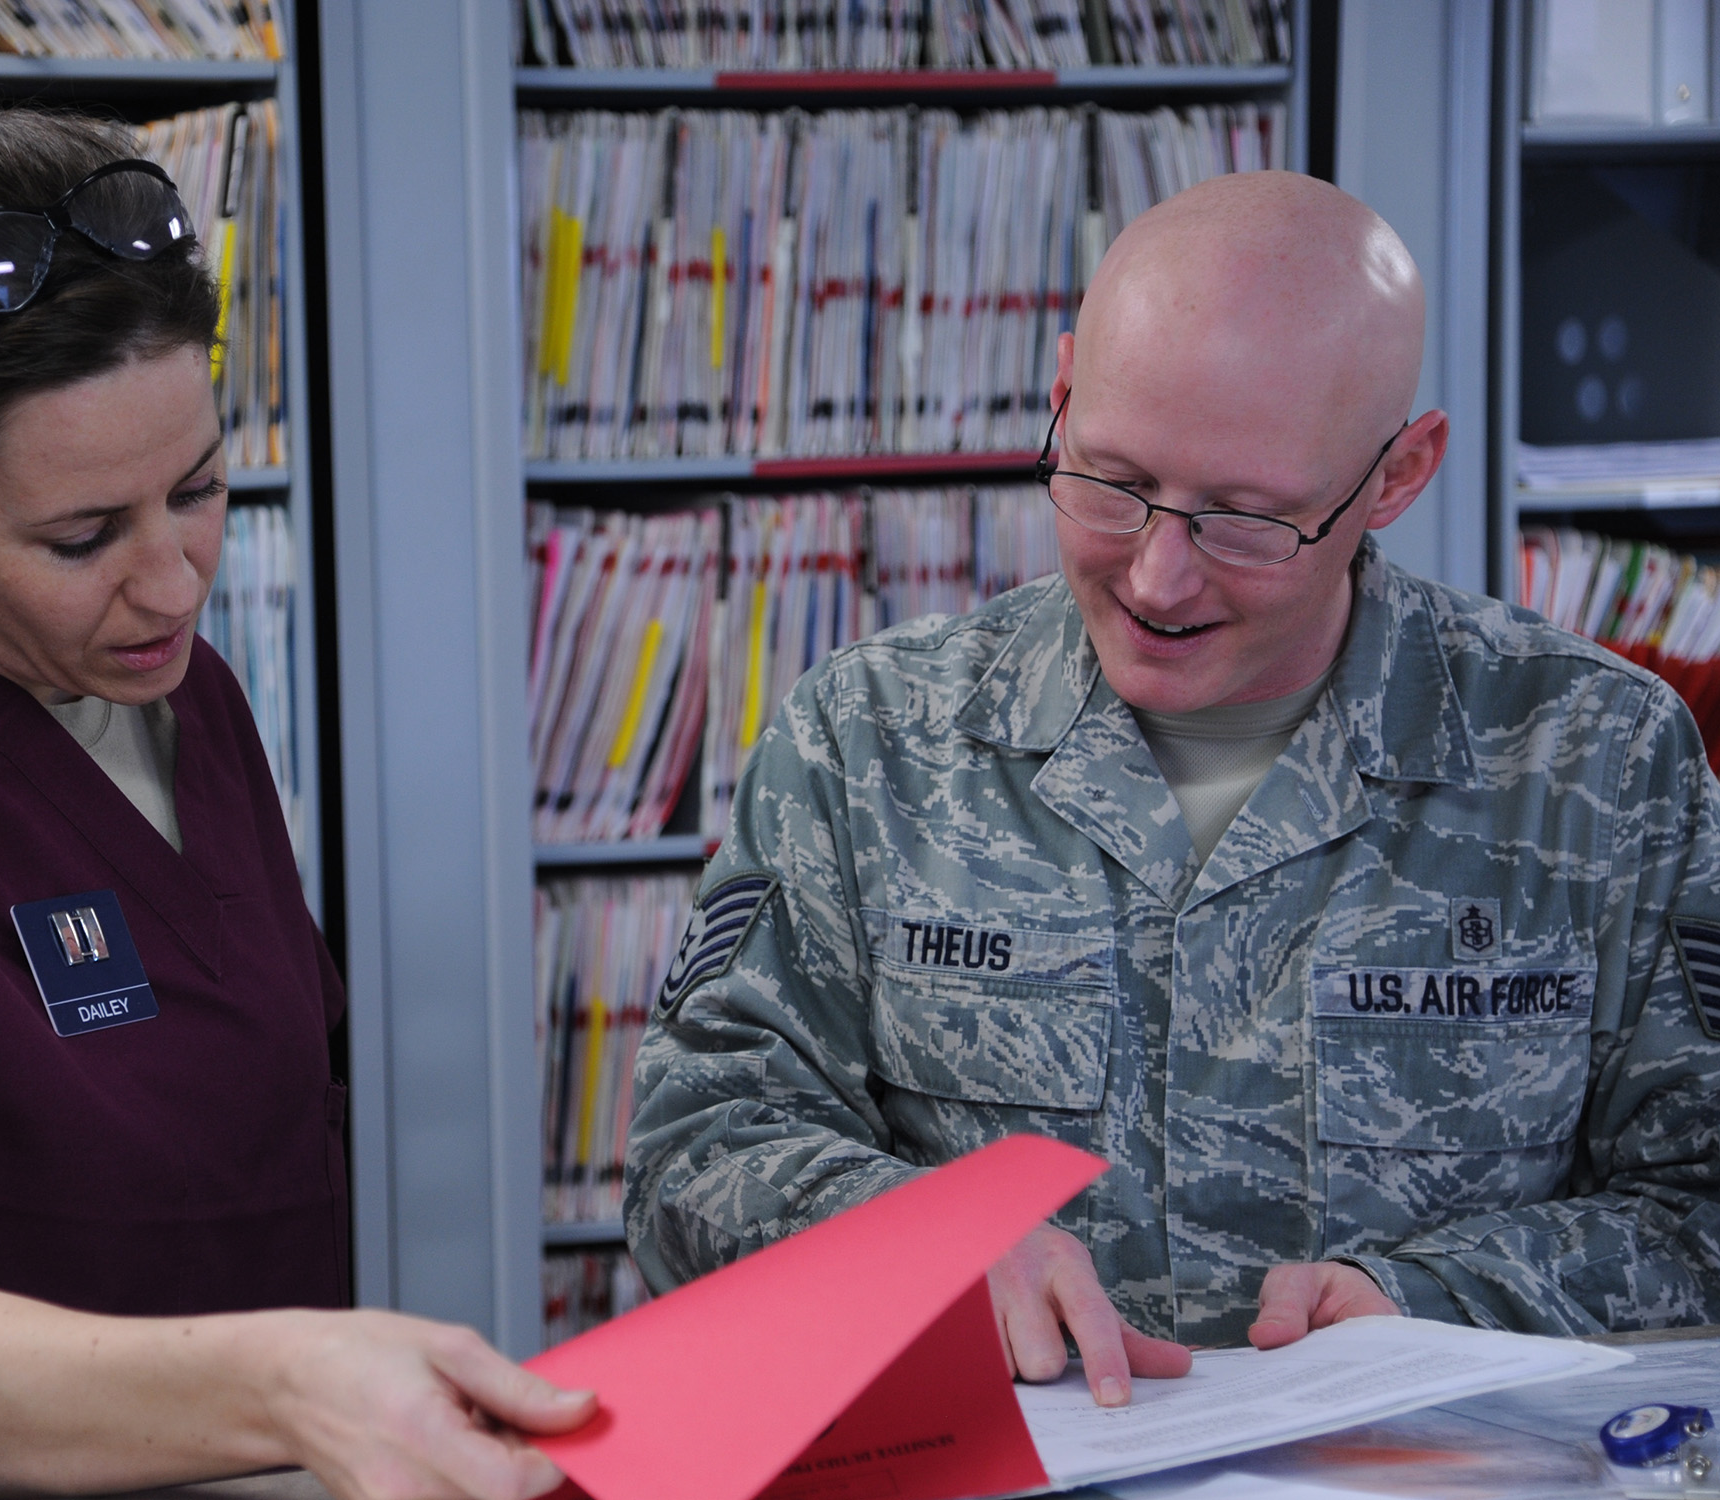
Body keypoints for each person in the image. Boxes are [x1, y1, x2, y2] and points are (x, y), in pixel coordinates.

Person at [0, 87, 591, 1499]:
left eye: (197, 490)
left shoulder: (174, 693)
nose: (173, 579)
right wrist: (288, 1381)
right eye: (81, 537)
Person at [625, 170, 1720, 1409]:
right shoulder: (868, 738)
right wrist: (915, 1249)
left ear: (1398, 477)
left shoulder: (1601, 762)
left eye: (1245, 520)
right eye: (1109, 481)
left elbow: (1703, 1208)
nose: (1156, 576)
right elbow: (689, 1156)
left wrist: (1439, 1301)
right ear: (1060, 396)